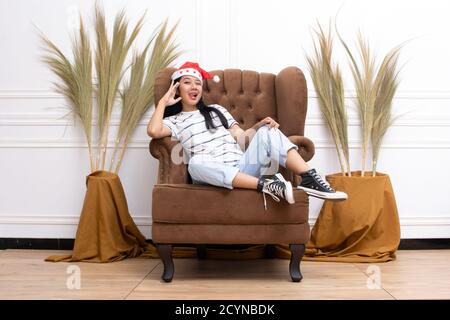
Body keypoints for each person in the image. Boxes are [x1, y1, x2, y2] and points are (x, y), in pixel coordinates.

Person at [147, 62, 347, 210]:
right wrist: (164, 102)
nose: (194, 87)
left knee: (269, 131)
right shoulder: (175, 121)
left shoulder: (216, 110)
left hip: (243, 167)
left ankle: (309, 178)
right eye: (187, 82)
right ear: (176, 87)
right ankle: (268, 185)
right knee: (195, 163)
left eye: (198, 83)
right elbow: (154, 132)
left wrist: (260, 126)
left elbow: (242, 138)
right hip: (213, 174)